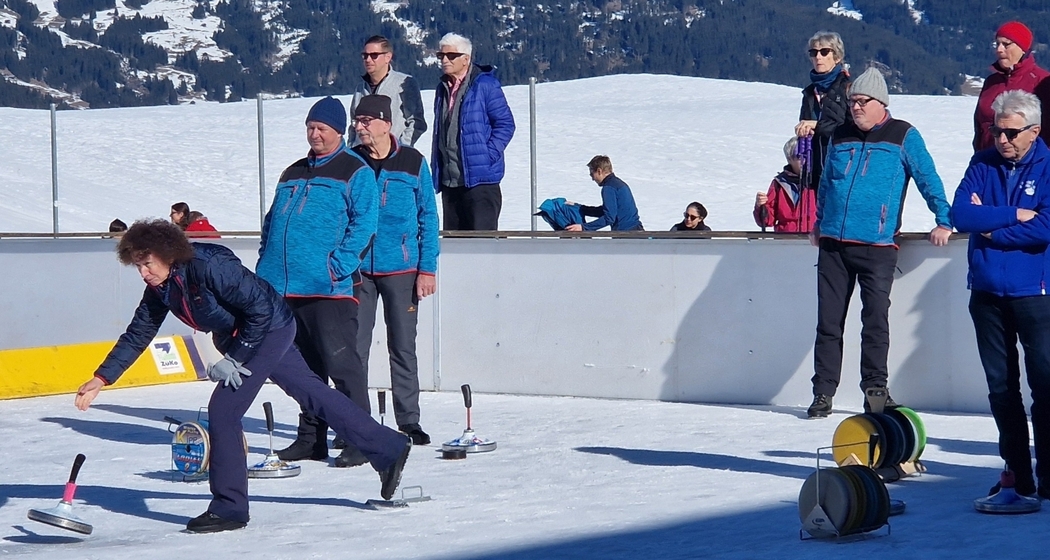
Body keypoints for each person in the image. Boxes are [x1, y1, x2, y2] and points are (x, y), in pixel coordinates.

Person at [74, 220, 411, 533]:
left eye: (147, 263)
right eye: (138, 266)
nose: (143, 273)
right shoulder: (161, 289)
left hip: (269, 327)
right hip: (242, 335)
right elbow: (138, 333)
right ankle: (387, 446)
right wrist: (102, 378)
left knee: (223, 411)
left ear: (168, 254)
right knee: (312, 393)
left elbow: (260, 311)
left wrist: (235, 358)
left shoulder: (209, 266)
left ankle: (229, 507)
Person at [806, 67, 953, 418]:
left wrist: (943, 219)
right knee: (828, 322)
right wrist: (819, 223)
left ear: (880, 103)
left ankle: (875, 389)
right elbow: (826, 183)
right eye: (852, 101)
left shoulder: (903, 135)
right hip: (833, 246)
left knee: (874, 321)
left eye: (862, 101)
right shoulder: (840, 135)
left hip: (877, 247)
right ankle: (823, 392)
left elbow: (927, 177)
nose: (854, 107)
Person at [256, 96, 380, 468]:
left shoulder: (354, 171)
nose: (314, 134)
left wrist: (338, 265)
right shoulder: (292, 172)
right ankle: (311, 439)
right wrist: (266, 258)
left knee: (342, 365)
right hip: (284, 287)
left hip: (328, 287)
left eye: (321, 128)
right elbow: (272, 220)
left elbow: (364, 224)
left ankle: (362, 437)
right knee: (305, 372)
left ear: (338, 132)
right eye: (310, 127)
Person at [952, 90, 1050, 498]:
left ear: (1034, 131)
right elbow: (960, 214)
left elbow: (1046, 227)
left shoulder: (1048, 167)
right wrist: (1012, 215)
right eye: (996, 131)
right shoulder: (983, 163)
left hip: (1035, 295)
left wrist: (990, 227)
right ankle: (1016, 472)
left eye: (1011, 132)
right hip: (988, 293)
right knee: (1001, 388)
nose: (1003, 139)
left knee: (1044, 386)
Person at [350, 95, 439, 446]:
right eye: (357, 120)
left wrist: (427, 269)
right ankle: (354, 421)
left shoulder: (413, 162)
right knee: (353, 349)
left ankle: (409, 420)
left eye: (366, 121)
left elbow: (428, 218)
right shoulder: (350, 162)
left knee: (403, 345)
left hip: (402, 269)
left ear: (386, 124)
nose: (359, 127)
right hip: (358, 272)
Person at [431, 32, 516, 230]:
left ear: (466, 58)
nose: (445, 60)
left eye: (451, 56)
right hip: (450, 184)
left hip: (481, 183)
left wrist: (488, 155)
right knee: (457, 250)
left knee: (482, 248)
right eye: (441, 56)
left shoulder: (485, 85)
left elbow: (505, 124)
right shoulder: (442, 87)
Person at [973, 22, 1050, 152]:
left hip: (1028, 165)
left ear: (1023, 48)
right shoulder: (991, 82)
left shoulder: (1042, 82)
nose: (999, 49)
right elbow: (979, 125)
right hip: (987, 162)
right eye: (997, 44)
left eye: (1006, 44)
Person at [348, 35, 427, 148]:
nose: (368, 60)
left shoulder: (404, 83)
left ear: (388, 57)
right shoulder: (360, 88)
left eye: (374, 55)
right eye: (365, 56)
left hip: (393, 159)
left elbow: (417, 122)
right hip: (362, 158)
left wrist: (401, 149)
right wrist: (352, 148)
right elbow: (353, 123)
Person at [797, 31, 852, 192]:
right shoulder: (809, 93)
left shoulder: (848, 89)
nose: (818, 57)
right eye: (813, 53)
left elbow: (852, 129)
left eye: (824, 52)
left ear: (837, 57)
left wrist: (818, 126)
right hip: (815, 175)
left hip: (843, 172)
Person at [564, 155, 643, 232]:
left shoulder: (608, 188)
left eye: (592, 174)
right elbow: (607, 211)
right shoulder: (618, 184)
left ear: (599, 171)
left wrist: (583, 228)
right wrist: (580, 208)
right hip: (637, 231)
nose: (592, 179)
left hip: (626, 235)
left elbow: (609, 218)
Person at [753, 137, 816, 233]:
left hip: (814, 240)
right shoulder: (779, 183)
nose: (805, 160)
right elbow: (766, 221)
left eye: (809, 155)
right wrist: (761, 206)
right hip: (785, 241)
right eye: (800, 156)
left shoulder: (820, 181)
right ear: (790, 159)